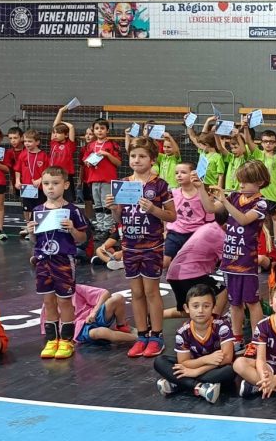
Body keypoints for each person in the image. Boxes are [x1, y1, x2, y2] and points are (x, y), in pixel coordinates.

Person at [105, 138, 176, 359]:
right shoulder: (124, 183)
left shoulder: (160, 184)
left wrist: (153, 209)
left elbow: (172, 215)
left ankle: (157, 335)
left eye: (142, 156)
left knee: (151, 292)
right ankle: (142, 335)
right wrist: (113, 208)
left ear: (152, 159)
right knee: (136, 293)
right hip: (130, 245)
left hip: (152, 245)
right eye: (134, 156)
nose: (137, 160)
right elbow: (119, 217)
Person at [208, 160, 271, 350]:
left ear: (259, 182)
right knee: (234, 302)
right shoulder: (236, 196)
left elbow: (243, 220)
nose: (241, 185)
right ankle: (236, 338)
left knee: (252, 302)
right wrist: (200, 190)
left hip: (246, 260)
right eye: (240, 181)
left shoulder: (261, 203)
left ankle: (256, 340)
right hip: (229, 258)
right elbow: (211, 209)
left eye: (246, 182)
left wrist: (225, 200)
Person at [30, 166, 89, 360]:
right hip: (42, 260)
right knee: (48, 301)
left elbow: (82, 239)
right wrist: (31, 231)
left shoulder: (72, 210)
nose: (50, 188)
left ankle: (66, 339)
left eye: (55, 184)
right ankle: (51, 339)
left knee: (64, 300)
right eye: (46, 184)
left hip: (63, 259)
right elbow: (34, 241)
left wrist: (72, 229)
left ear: (65, 185)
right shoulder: (38, 210)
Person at [154, 284, 235, 404]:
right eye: (195, 306)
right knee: (160, 361)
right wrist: (206, 359)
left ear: (213, 307)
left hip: (215, 368)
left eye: (206, 306)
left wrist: (196, 372)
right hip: (195, 365)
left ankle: (179, 384)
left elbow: (227, 358)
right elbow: (183, 362)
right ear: (187, 308)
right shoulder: (182, 331)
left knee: (230, 371)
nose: (200, 310)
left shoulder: (222, 325)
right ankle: (200, 387)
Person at [164, 162, 214, 269]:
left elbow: (210, 215)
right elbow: (168, 213)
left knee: (193, 265)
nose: (179, 175)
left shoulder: (202, 194)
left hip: (195, 233)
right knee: (165, 262)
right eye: (176, 173)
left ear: (193, 174)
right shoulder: (173, 193)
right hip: (175, 233)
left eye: (183, 172)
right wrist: (165, 230)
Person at [85, 117, 122, 237]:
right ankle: (100, 227)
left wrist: (107, 154)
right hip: (94, 178)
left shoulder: (112, 145)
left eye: (102, 128)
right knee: (98, 205)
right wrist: (87, 162)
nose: (99, 131)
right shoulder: (90, 145)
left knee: (107, 204)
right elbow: (85, 159)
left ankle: (108, 228)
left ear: (107, 131)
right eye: (97, 128)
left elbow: (118, 163)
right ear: (93, 131)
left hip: (107, 178)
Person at [13, 129, 48, 239]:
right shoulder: (23, 154)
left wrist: (40, 179)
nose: (27, 144)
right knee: (27, 208)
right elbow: (17, 169)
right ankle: (29, 227)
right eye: (25, 141)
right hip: (27, 187)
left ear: (37, 142)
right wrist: (18, 181)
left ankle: (38, 228)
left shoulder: (43, 156)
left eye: (30, 141)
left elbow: (48, 172)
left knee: (39, 208)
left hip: (39, 187)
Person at [49, 105, 78, 200]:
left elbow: (71, 127)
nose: (55, 135)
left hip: (65, 174)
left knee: (67, 198)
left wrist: (62, 122)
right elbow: (55, 125)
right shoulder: (54, 143)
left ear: (66, 135)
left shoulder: (69, 145)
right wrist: (61, 111)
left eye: (58, 133)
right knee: (55, 197)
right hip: (53, 173)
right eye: (55, 133)